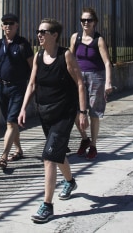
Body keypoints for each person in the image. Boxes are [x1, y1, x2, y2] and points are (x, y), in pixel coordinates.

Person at [19, 18, 88, 224]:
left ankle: (47, 206)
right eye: (38, 31)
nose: (39, 34)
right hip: (45, 114)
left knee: (49, 157)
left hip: (64, 115)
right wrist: (23, 108)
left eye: (43, 32)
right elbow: (32, 84)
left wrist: (82, 112)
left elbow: (80, 84)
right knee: (56, 153)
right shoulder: (39, 56)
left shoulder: (65, 55)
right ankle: (70, 182)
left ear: (54, 35)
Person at [0, 13, 33, 169]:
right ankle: (18, 150)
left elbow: (33, 67)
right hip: (2, 87)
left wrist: (33, 86)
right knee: (9, 123)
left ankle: (3, 156)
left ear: (17, 26)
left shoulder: (23, 44)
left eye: (11, 23)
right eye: (5, 23)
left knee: (11, 122)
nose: (8, 26)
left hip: (18, 87)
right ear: (1, 26)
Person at [70, 7, 114, 160]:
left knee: (94, 113)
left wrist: (108, 82)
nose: (86, 23)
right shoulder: (75, 38)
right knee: (75, 110)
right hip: (78, 78)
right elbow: (70, 60)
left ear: (95, 22)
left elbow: (107, 63)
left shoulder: (98, 40)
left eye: (89, 20)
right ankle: (84, 139)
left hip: (96, 77)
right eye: (83, 20)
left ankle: (93, 145)